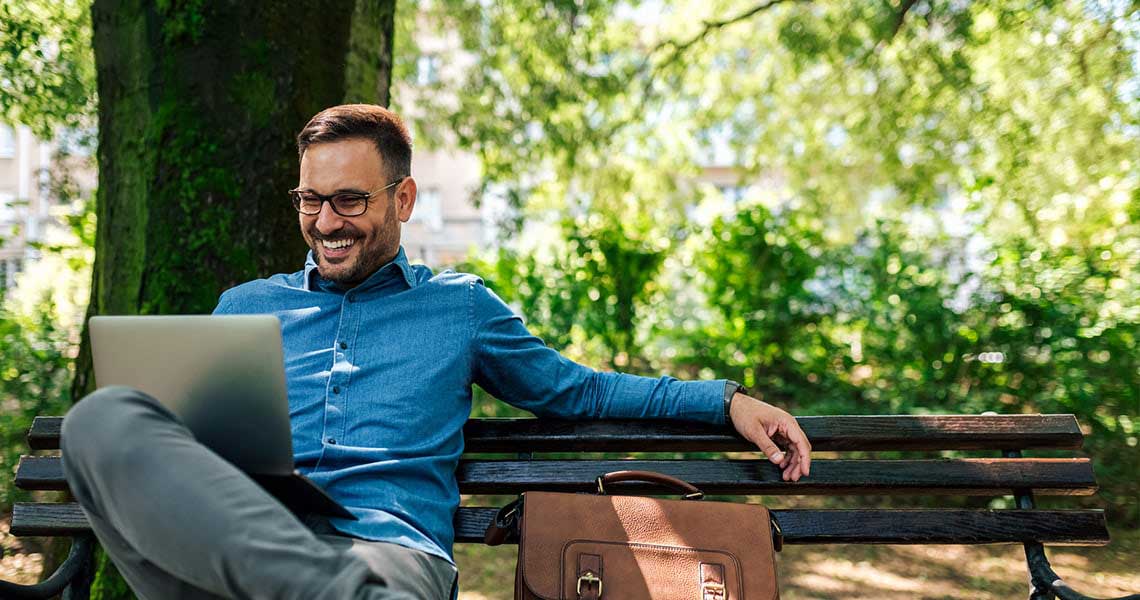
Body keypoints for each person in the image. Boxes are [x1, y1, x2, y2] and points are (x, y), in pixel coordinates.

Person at [61, 104, 812, 600]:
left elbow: (577, 392)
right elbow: (182, 460)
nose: (326, 223)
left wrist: (726, 400)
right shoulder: (244, 306)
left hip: (387, 554)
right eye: (309, 201)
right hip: (236, 553)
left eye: (350, 200)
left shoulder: (460, 309)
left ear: (403, 198)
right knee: (102, 419)